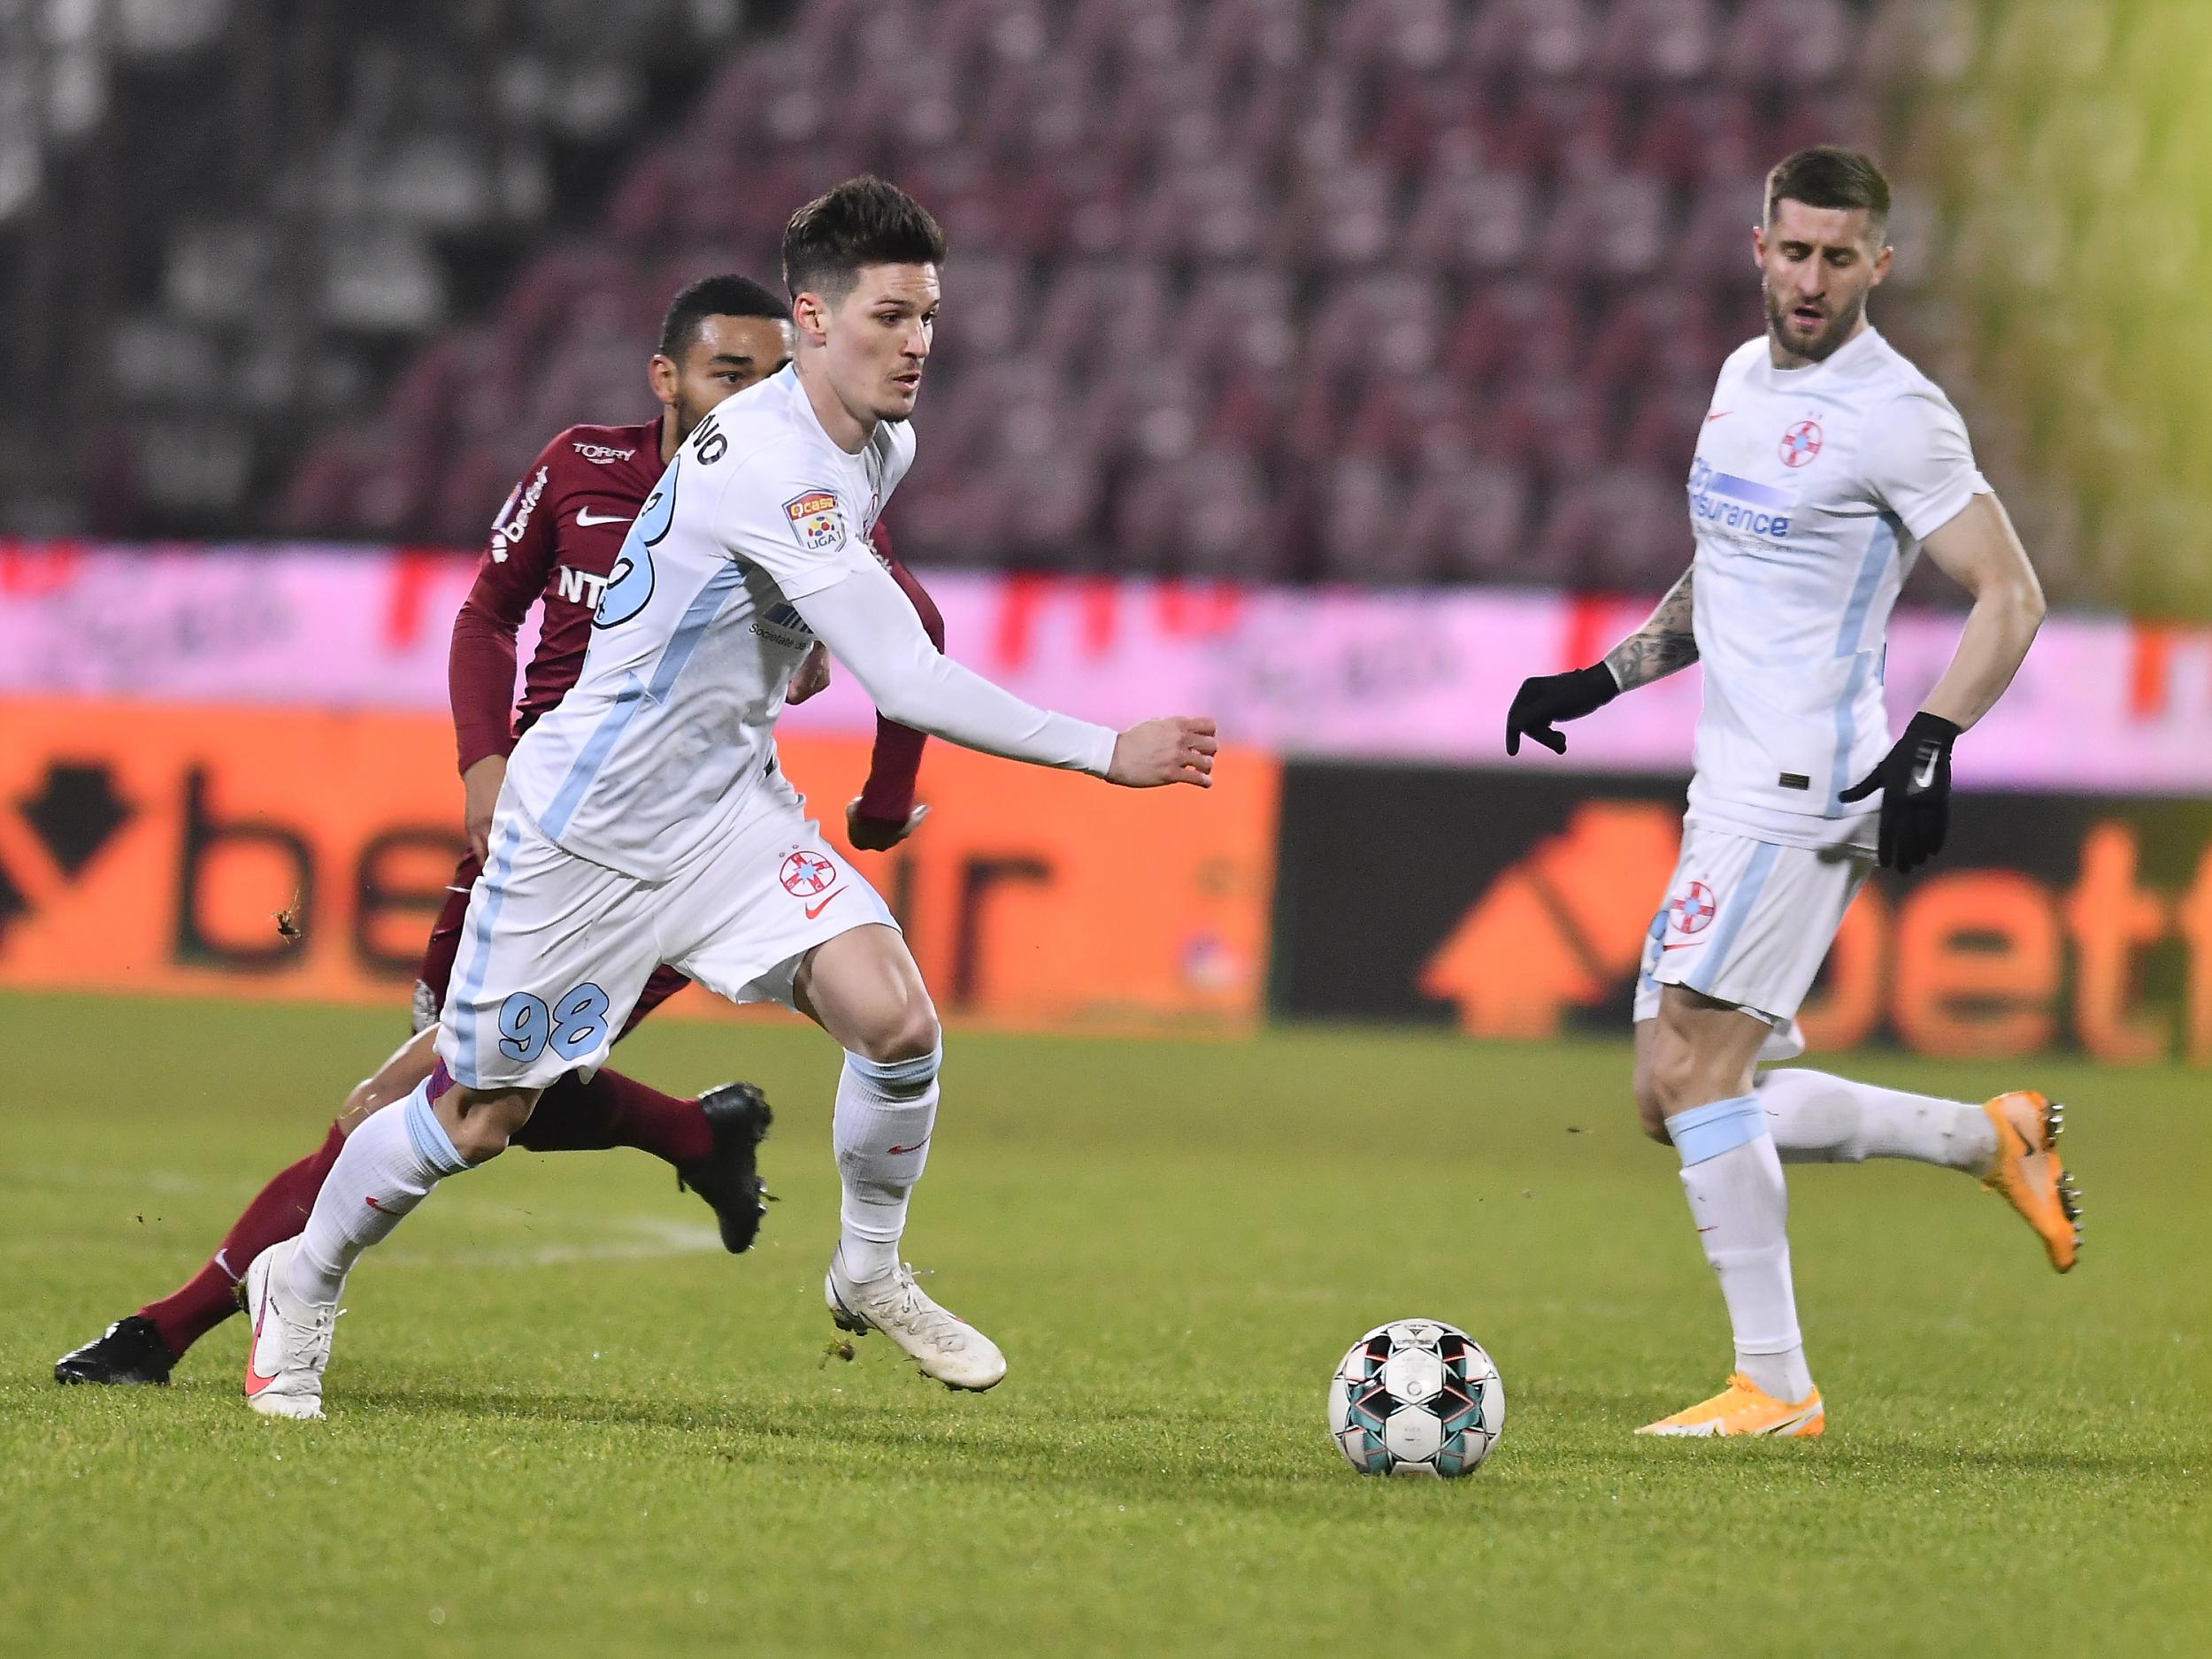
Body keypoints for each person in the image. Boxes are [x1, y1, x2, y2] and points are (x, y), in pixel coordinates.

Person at [238, 176, 1217, 1419]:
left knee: (897, 1019)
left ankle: (867, 1266)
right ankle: (301, 1282)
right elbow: (903, 666)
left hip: (727, 813)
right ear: (810, 318)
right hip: (588, 824)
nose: (917, 344)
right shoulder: (774, 463)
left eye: (929, 317)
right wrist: (1105, 747)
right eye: (888, 318)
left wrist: (779, 639)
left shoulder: (881, 443)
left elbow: (790, 607)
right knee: (481, 1116)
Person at [56, 273, 945, 1387]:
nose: (756, 397)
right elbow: (487, 611)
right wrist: (484, 760)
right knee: (489, 1089)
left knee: (407, 1101)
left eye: (775, 376)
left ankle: (170, 1327)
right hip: (542, 824)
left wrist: (879, 797)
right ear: (665, 379)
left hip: (685, 845)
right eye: (730, 373)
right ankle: (692, 1134)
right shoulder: (583, 467)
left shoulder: (799, 492)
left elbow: (913, 623)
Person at [1505, 147, 2078, 1440]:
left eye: (1839, 255)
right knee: (1673, 1095)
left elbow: (2011, 590)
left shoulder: (1898, 410)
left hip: (1806, 784)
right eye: (1794, 249)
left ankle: (1776, 1383)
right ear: (1756, 245)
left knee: (1696, 1065)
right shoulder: (1738, 380)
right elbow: (1726, 576)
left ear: (1881, 262)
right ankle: (1992, 1137)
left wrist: (1932, 739)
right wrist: (1600, 680)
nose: (1812, 278)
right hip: (1728, 784)